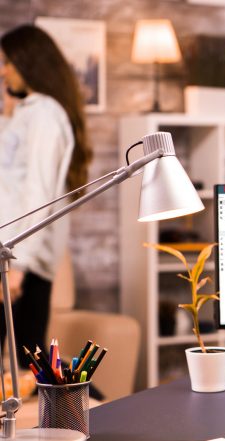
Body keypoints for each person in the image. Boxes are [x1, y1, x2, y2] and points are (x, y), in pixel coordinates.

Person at [0, 24, 92, 365]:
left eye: (8, 61)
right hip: (13, 253)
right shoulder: (29, 113)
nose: (3, 70)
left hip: (19, 258)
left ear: (29, 62)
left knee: (28, 360)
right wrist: (8, 114)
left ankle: (76, 407)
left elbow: (39, 194)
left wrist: (19, 265)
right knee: (27, 359)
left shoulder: (44, 116)